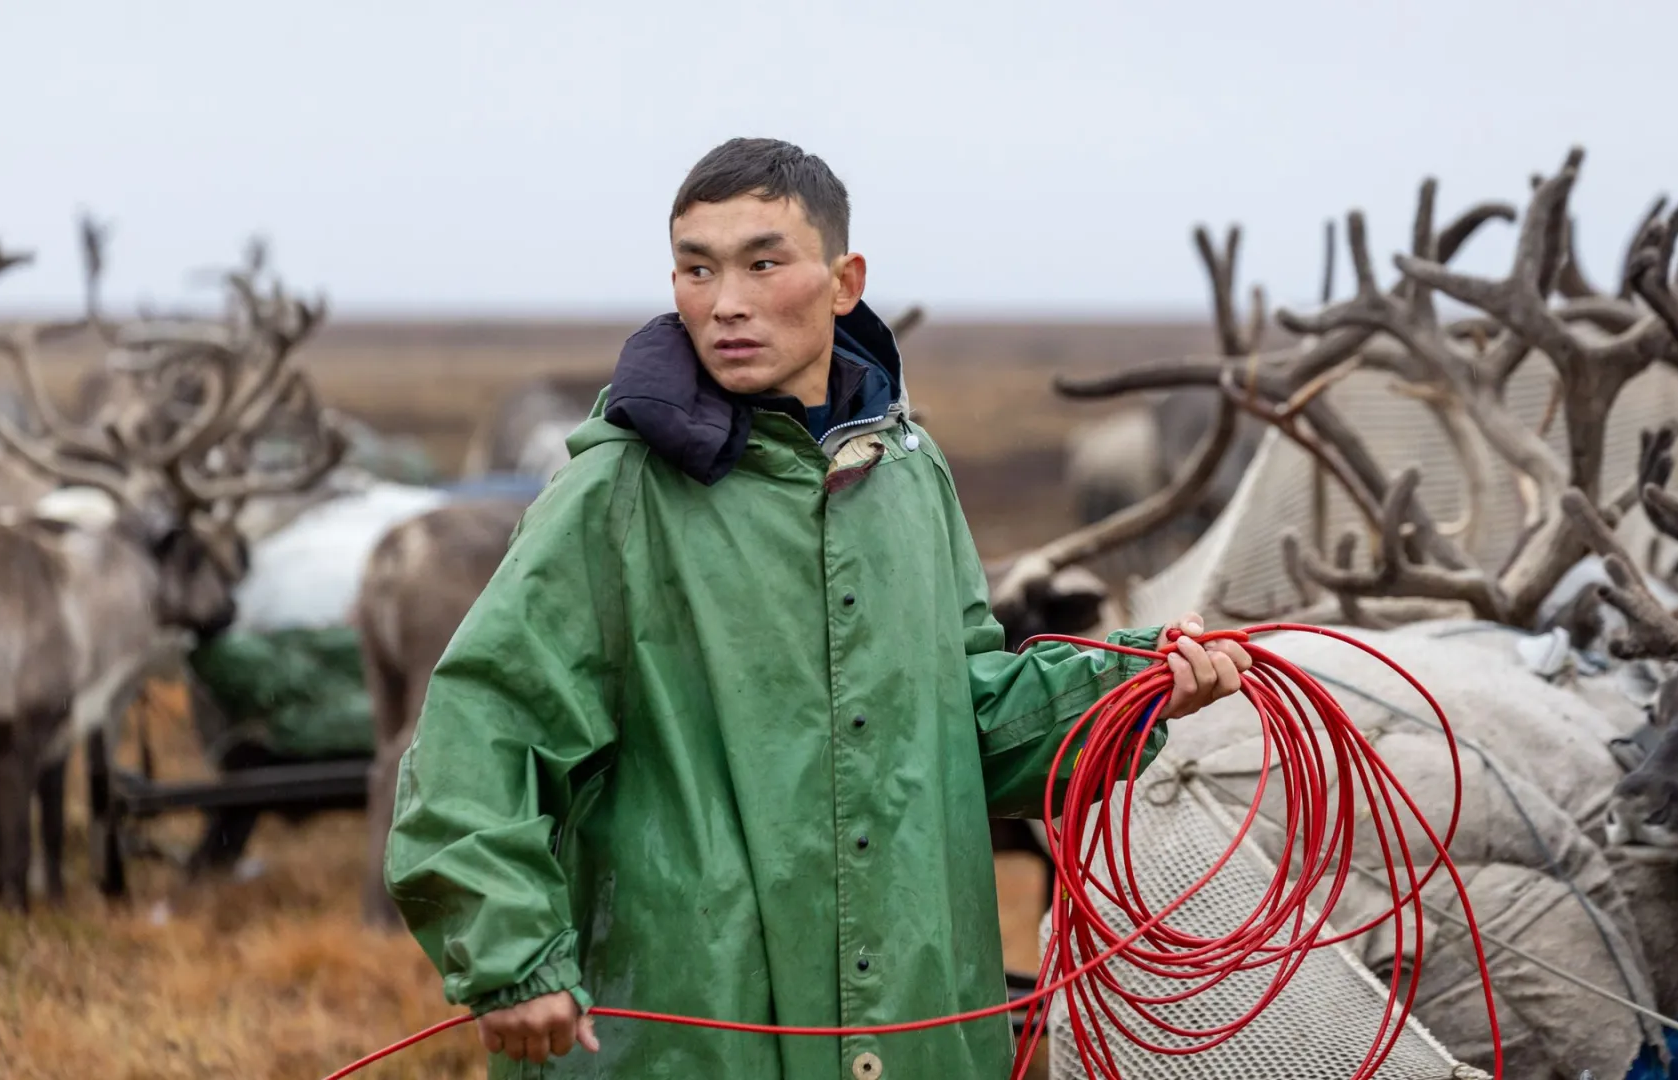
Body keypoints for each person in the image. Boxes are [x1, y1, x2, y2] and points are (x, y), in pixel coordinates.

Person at [382, 136, 1255, 1079]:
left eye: (764, 264)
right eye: (696, 268)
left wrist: (1128, 688)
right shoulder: (613, 495)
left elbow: (957, 723)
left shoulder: (913, 479)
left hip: (911, 1020)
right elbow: (485, 724)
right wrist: (513, 959)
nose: (726, 303)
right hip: (688, 1035)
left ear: (845, 281)